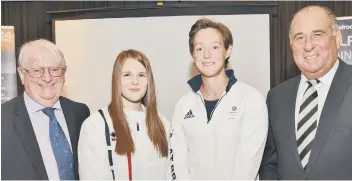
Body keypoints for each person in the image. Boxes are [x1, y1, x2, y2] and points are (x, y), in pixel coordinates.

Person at [168, 18, 268, 180]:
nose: (207, 55)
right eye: (200, 48)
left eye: (215, 47)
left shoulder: (251, 100)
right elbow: (177, 165)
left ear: (228, 50)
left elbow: (247, 169)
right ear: (192, 54)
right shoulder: (183, 105)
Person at [259, 5, 352, 180]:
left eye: (317, 34)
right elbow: (269, 163)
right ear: (291, 45)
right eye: (299, 37)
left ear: (337, 38)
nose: (308, 45)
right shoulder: (277, 97)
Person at [1, 39, 90, 180]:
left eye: (54, 69)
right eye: (37, 70)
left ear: (63, 73)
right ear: (22, 75)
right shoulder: (3, 119)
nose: (47, 78)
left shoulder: (79, 113)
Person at [78, 49, 170, 180]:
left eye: (142, 75)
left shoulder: (163, 124)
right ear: (117, 79)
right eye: (127, 75)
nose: (135, 81)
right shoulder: (96, 125)